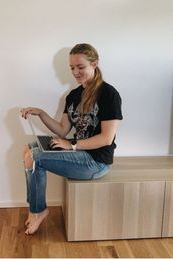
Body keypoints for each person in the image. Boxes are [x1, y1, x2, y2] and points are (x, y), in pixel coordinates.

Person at [21, 43, 123, 235]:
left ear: (95, 64)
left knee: (34, 158)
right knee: (28, 149)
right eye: (72, 68)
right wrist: (41, 113)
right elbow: (62, 130)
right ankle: (35, 208)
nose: (75, 72)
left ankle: (38, 211)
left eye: (80, 67)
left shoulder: (109, 94)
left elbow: (106, 139)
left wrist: (71, 144)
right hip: (79, 153)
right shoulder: (73, 95)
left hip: (96, 161)